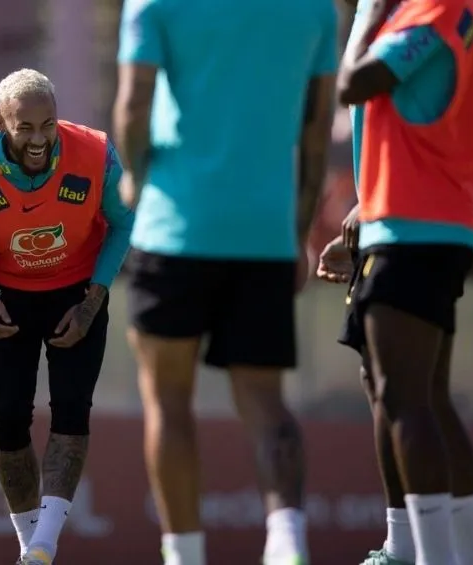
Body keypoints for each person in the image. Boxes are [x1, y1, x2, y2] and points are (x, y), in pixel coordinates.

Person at [114, 0, 338, 563]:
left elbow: (135, 102)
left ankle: (184, 555)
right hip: (262, 234)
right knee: (267, 404)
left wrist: (135, 179)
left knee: (167, 401)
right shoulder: (315, 10)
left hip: (173, 231)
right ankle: (287, 542)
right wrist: (299, 231)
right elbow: (316, 134)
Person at [317, 0, 473, 563]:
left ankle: (428, 556)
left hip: (417, 230)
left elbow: (354, 84)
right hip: (407, 222)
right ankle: (445, 554)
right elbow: (413, 119)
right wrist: (367, 209)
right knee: (415, 397)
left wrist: (365, 15)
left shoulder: (434, 8)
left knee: (403, 398)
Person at [0, 68, 134, 565]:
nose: (38, 139)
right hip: (7, 296)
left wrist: (93, 300)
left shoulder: (95, 153)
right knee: (8, 420)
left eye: (47, 125)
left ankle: (45, 545)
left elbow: (123, 222)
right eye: (23, 127)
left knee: (72, 412)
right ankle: (29, 547)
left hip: (78, 293)